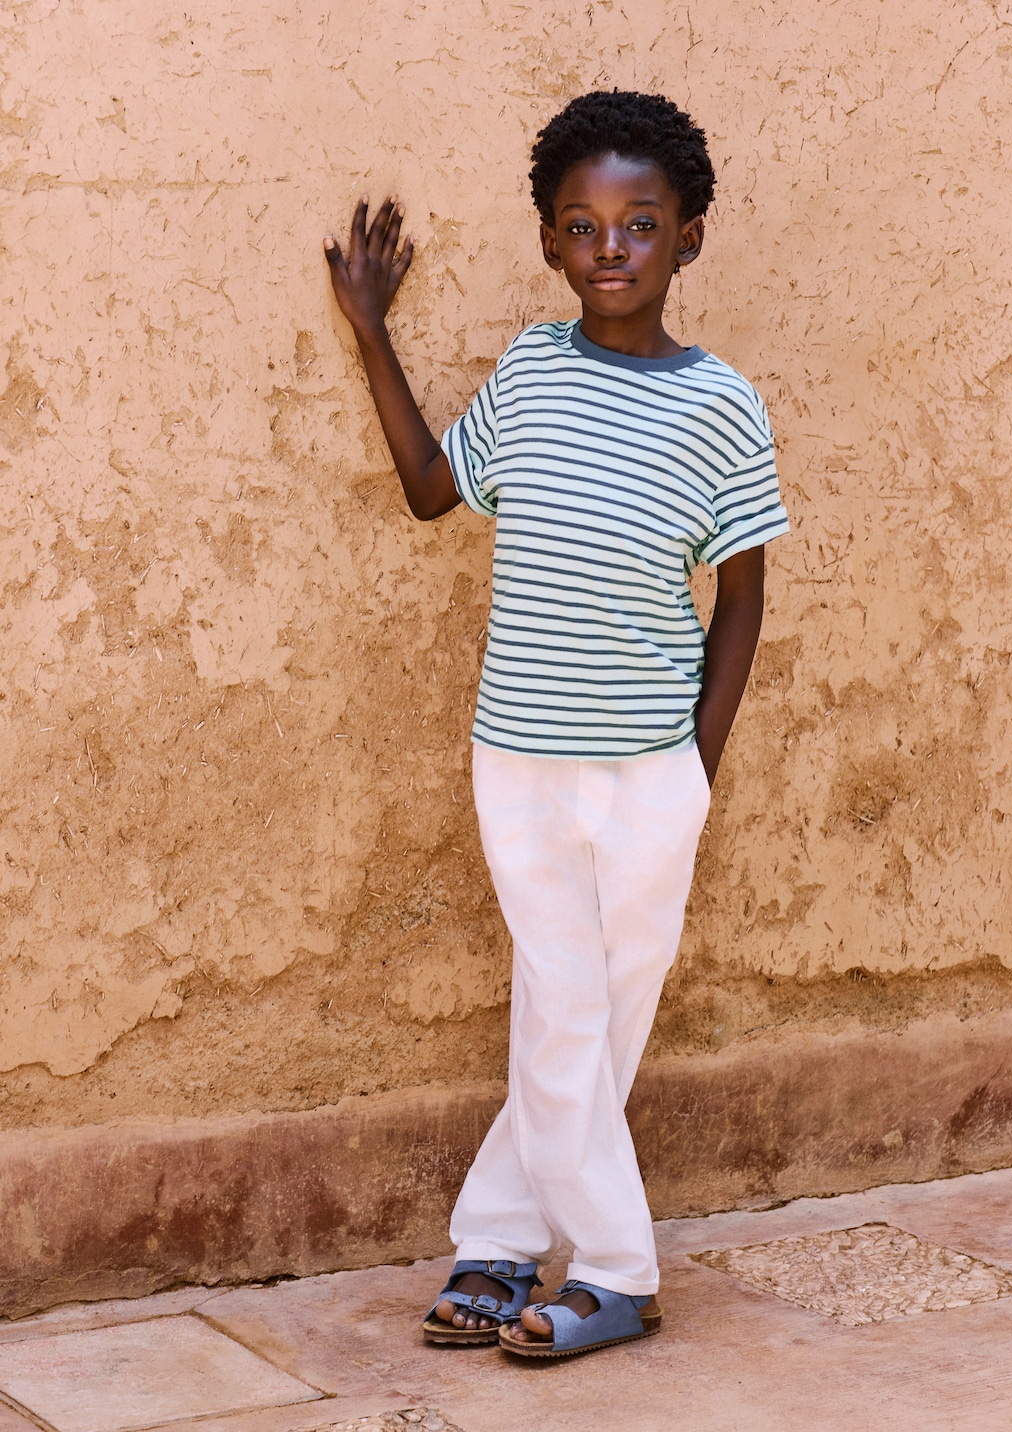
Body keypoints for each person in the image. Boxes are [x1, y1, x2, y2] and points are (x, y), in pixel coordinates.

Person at [324, 89, 788, 1360]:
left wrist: (696, 765)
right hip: (519, 760)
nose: (610, 247)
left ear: (688, 236)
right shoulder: (531, 369)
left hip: (651, 770)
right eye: (581, 226)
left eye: (640, 223)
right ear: (549, 243)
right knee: (569, 1006)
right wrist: (371, 331)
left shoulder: (721, 404)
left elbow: (742, 596)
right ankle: (622, 1274)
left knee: (591, 1011)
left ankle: (497, 1237)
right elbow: (433, 491)